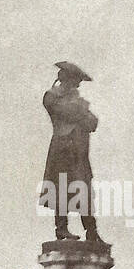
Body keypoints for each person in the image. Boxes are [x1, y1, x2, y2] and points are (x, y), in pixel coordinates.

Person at [41, 62, 101, 242]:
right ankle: (62, 229)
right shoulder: (51, 97)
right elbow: (66, 112)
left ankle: (91, 231)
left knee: (85, 191)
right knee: (61, 189)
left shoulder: (78, 102)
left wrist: (79, 110)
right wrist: (80, 110)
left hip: (79, 152)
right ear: (65, 79)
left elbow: (93, 123)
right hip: (62, 149)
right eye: (75, 82)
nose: (77, 87)